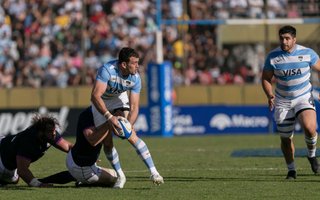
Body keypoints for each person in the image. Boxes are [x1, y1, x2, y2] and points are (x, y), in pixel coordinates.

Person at [91, 47, 164, 188]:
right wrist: (109, 117)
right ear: (124, 64)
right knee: (107, 142)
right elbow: (95, 96)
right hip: (100, 102)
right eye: (134, 63)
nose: (138, 65)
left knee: (131, 135)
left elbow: (135, 107)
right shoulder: (107, 70)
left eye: (138, 62)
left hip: (119, 99)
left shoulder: (136, 77)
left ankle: (154, 172)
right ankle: (120, 176)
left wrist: (128, 125)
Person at [262, 25, 320, 179]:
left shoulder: (307, 53)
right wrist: (269, 95)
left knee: (309, 127)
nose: (284, 41)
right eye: (281, 38)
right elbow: (266, 78)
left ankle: (312, 155)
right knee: (286, 139)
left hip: (303, 97)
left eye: (287, 38)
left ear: (294, 39)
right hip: (283, 101)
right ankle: (292, 170)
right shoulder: (273, 57)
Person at [39, 106, 118, 187]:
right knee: (114, 178)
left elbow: (68, 146)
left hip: (74, 158)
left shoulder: (91, 114)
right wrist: (110, 122)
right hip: (83, 168)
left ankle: (42, 181)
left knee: (114, 173)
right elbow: (94, 141)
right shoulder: (90, 116)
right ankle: (83, 182)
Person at [0, 114, 73, 187]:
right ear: (40, 132)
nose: (53, 133)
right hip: (2, 157)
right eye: (50, 131)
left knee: (14, 180)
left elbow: (68, 147)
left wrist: (82, 153)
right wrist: (38, 184)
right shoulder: (28, 141)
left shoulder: (50, 135)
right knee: (9, 177)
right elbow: (22, 170)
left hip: (7, 155)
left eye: (54, 130)